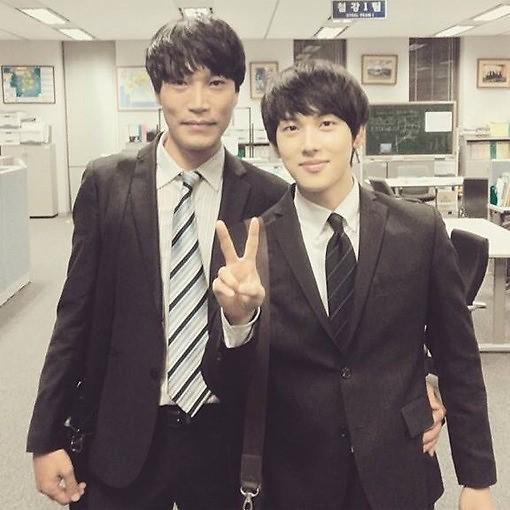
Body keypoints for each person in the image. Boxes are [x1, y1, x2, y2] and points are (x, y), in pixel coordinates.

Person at [207, 60, 496, 510]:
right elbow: (225, 385)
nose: (309, 144)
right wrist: (239, 320)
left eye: (326, 123)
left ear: (357, 133)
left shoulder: (418, 230)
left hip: (397, 468)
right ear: (275, 143)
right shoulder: (248, 244)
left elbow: (458, 358)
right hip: (293, 480)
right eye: (291, 128)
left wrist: (477, 481)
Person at [26, 16, 288, 510]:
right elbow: (75, 314)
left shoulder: (269, 196)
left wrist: (242, 319)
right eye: (180, 82)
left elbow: (286, 338)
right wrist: (46, 435)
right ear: (158, 91)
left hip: (225, 442)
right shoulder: (107, 184)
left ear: (237, 92)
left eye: (216, 83)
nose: (198, 102)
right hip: (122, 434)